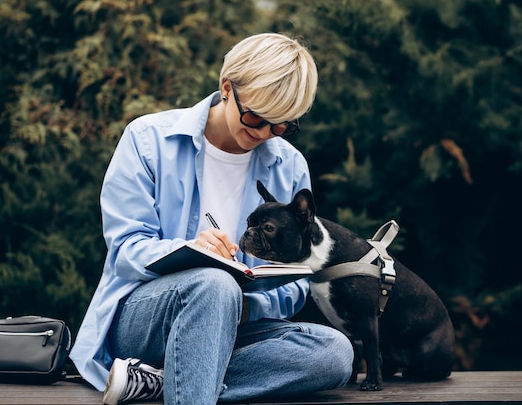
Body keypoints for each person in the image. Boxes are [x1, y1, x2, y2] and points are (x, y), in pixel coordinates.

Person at [69, 33, 354, 405]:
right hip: (142, 321)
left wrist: (250, 305)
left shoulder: (289, 166)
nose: (263, 134)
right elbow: (126, 251)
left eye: (281, 125)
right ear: (226, 88)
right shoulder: (148, 139)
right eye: (254, 116)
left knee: (334, 352)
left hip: (236, 327)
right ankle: (181, 375)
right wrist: (190, 249)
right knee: (214, 284)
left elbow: (297, 280)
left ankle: (159, 381)